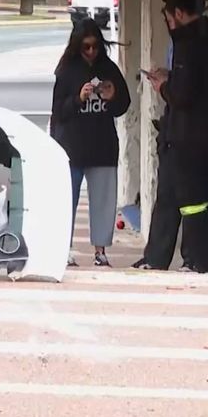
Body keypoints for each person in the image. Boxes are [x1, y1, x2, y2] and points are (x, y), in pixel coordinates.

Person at [134, 0, 208, 273]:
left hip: (189, 133)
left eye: (169, 19)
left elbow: (184, 96)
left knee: (192, 198)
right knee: (168, 191)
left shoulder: (188, 45)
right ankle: (155, 257)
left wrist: (162, 85)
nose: (169, 26)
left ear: (179, 14)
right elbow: (203, 81)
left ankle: (198, 259)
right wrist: (175, 77)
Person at [50, 17, 131, 267]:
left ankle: (101, 251)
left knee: (103, 201)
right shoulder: (66, 70)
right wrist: (78, 98)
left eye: (95, 46)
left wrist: (113, 95)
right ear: (77, 46)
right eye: (86, 47)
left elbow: (123, 106)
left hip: (102, 146)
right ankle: (64, 248)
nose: (92, 51)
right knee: (67, 201)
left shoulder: (108, 69)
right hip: (71, 146)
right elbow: (58, 111)